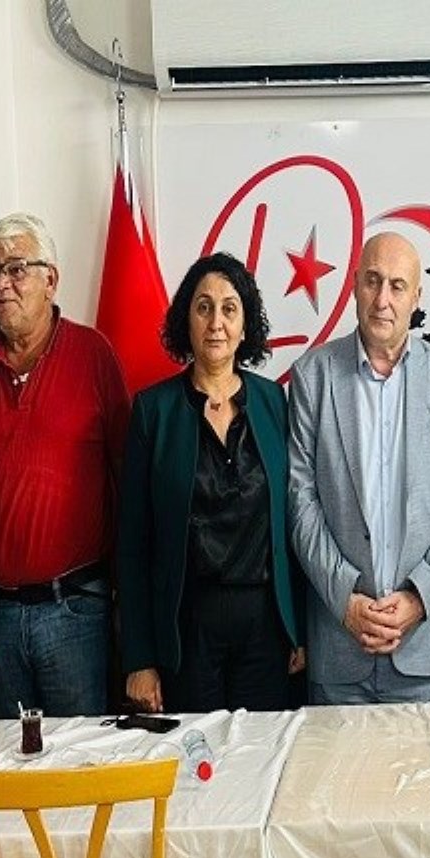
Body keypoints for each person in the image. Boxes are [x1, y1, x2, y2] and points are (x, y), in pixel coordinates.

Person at [0, 213, 129, 717]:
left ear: (50, 280)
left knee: (78, 755)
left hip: (76, 612)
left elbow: (128, 483)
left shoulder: (93, 354)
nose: (1, 283)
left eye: (16, 269)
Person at [288, 231, 430, 704]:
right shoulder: (312, 375)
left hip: (423, 654)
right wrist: (346, 599)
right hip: (339, 647)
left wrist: (418, 598)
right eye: (372, 281)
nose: (382, 299)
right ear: (355, 285)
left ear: (417, 298)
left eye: (397, 285)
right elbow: (300, 499)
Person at [118, 253, 304, 713]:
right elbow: (132, 544)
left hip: (265, 626)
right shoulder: (153, 411)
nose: (216, 322)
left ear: (245, 325)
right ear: (187, 320)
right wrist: (139, 658)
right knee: (198, 752)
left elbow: (293, 522)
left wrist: (298, 628)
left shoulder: (273, 401)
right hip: (187, 630)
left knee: (263, 752)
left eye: (229, 308)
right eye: (203, 307)